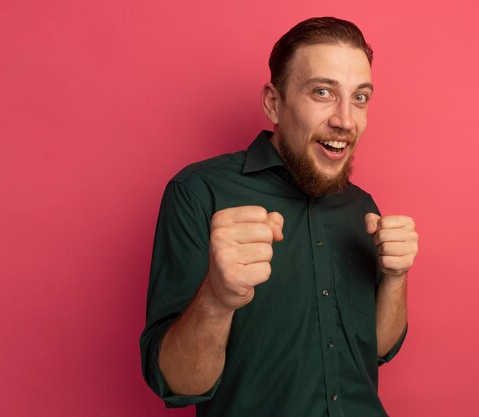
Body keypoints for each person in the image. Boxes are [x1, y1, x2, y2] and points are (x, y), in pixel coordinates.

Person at [140, 16, 419, 417]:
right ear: (274, 102)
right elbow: (178, 384)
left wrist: (396, 278)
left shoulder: (363, 207)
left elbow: (377, 349)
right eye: (322, 92)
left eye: (360, 97)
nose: (346, 119)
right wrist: (218, 299)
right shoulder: (199, 193)